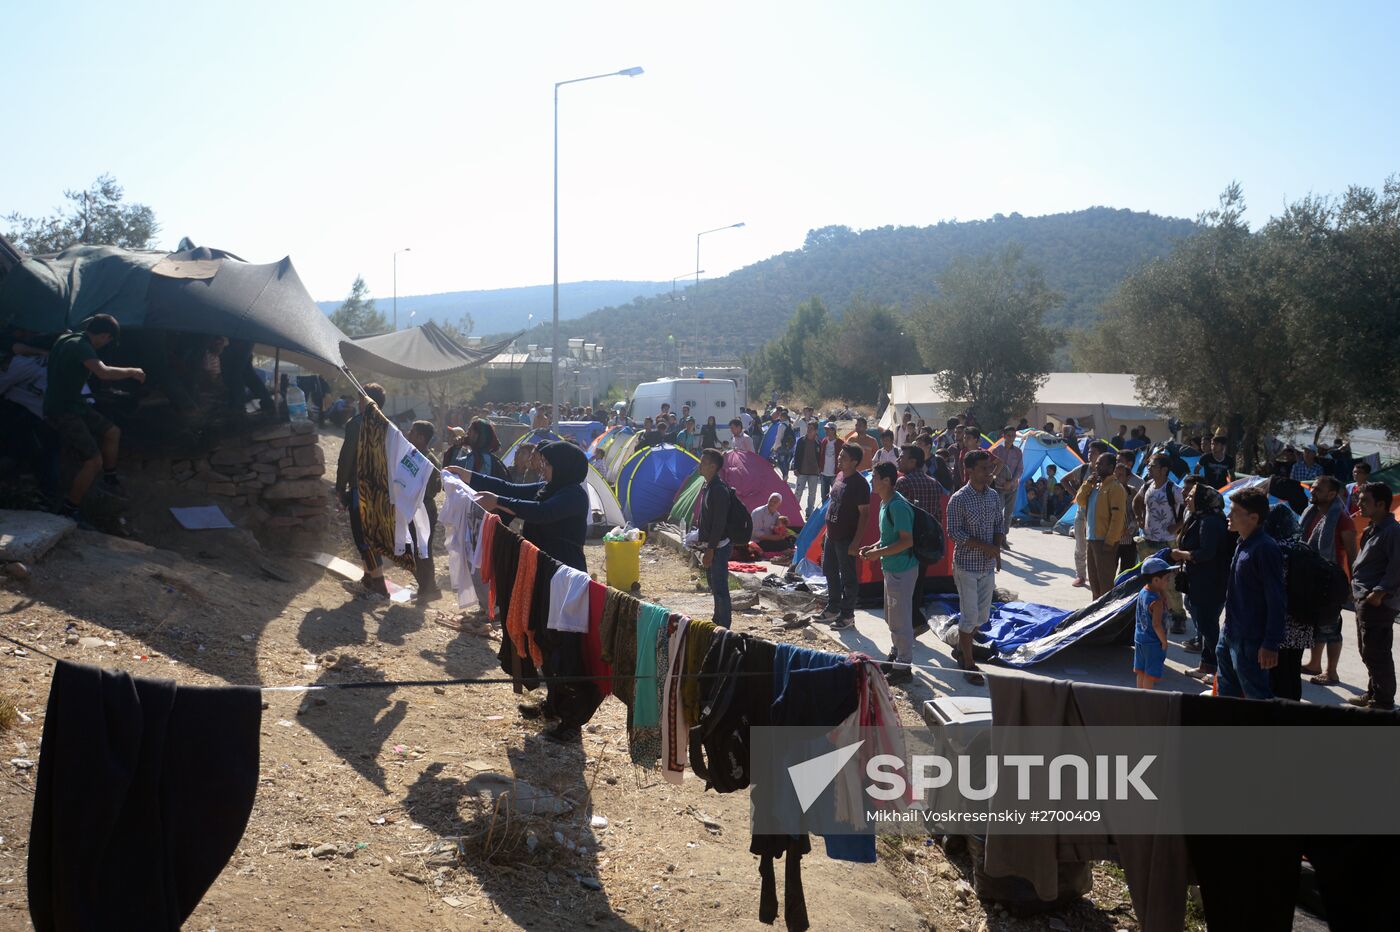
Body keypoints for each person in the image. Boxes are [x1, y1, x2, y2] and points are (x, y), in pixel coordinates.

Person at [447, 440, 595, 741]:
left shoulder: (573, 495)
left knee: (563, 646)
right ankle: (553, 705)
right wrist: (468, 476)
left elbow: (541, 513)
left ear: (563, 467)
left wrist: (499, 503)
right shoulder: (551, 488)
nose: (543, 468)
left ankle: (572, 720)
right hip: (543, 573)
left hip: (564, 580)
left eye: (548, 464)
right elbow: (511, 489)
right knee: (543, 638)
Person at [45, 315, 146, 522]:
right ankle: (69, 509)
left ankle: (110, 479)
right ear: (104, 336)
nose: (105, 344)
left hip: (73, 403)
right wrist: (132, 372)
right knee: (93, 461)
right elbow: (103, 372)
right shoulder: (82, 347)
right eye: (108, 340)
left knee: (112, 432)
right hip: (63, 410)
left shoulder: (68, 338)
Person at [1215, 487, 1284, 700]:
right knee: (1227, 693)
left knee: (1257, 697)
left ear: (1253, 518)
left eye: (1234, 511)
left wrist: (1270, 643)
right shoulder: (1242, 543)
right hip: (1229, 633)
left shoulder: (1265, 549)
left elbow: (1277, 600)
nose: (1228, 515)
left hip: (1250, 640)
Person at [945, 450, 1003, 685]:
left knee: (982, 617)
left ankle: (961, 646)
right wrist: (983, 547)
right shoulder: (958, 498)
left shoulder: (993, 496)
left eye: (989, 468)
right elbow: (954, 532)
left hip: (987, 566)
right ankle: (968, 664)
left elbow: (999, 524)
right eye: (983, 468)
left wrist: (996, 551)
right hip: (966, 566)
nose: (988, 472)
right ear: (969, 471)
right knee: (969, 617)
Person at [861, 462, 918, 685]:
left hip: (902, 570)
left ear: (886, 480)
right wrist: (874, 549)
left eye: (875, 477)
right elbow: (888, 538)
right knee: (891, 616)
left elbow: (907, 540)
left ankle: (903, 666)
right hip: (892, 568)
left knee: (900, 619)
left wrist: (879, 553)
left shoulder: (897, 506)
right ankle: (896, 655)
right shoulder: (885, 503)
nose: (872, 481)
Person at [1347, 482, 1400, 710]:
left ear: (1381, 504)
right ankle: (1373, 692)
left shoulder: (1392, 531)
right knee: (1367, 650)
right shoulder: (1372, 528)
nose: (1359, 504)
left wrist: (1378, 593)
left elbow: (1397, 567)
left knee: (1377, 652)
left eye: (1364, 500)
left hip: (1378, 602)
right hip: (1364, 599)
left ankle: (1383, 701)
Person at [1299, 476, 1356, 685]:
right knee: (1317, 623)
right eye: (1312, 488)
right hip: (1312, 578)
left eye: (1318, 490)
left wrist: (1352, 584)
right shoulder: (1310, 513)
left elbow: (1352, 553)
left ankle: (1332, 673)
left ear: (1332, 494)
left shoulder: (1342, 519)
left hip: (1332, 581)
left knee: (1331, 627)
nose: (1312, 492)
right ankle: (1315, 664)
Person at [335, 384, 390, 597]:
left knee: (363, 538)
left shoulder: (357, 424)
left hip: (361, 489)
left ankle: (378, 584)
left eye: (360, 400)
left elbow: (346, 458)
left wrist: (340, 487)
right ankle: (368, 579)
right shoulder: (388, 426)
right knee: (371, 536)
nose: (358, 404)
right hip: (381, 491)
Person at [1172, 479, 1230, 682]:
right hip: (1199, 580)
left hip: (1210, 582)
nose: (1187, 498)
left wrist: (1183, 554)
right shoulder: (1200, 516)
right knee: (1203, 623)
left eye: (1191, 495)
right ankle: (1206, 665)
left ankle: (1215, 669)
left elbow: (1207, 552)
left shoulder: (1211, 521)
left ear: (1202, 500)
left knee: (1208, 626)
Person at [819, 444, 871, 631]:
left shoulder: (860, 484)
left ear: (854, 462)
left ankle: (847, 614)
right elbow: (833, 504)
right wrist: (826, 532)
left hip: (846, 538)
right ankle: (833, 607)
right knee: (829, 571)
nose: (839, 459)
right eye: (839, 455)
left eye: (843, 457)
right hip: (831, 535)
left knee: (848, 577)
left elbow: (864, 515)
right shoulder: (839, 477)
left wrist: (856, 542)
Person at [1134, 454, 1187, 632]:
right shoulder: (1147, 485)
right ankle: (1155, 611)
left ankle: (1178, 616)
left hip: (1166, 543)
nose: (1149, 468)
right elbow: (1137, 501)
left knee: (1170, 583)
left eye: (1153, 465)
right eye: (1149, 465)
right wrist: (1139, 518)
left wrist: (1178, 526)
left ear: (1164, 470)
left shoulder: (1174, 489)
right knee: (1150, 580)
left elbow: (1188, 508)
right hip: (1148, 540)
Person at [896, 443, 942, 633]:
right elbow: (938, 515)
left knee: (904, 587)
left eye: (902, 457)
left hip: (907, 543)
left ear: (913, 461)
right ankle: (915, 621)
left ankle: (913, 622)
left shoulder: (903, 483)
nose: (899, 460)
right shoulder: (934, 484)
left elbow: (900, 516)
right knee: (918, 583)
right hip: (928, 543)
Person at [1074, 452, 1127, 599]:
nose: (1096, 466)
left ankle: (1106, 612)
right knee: (1094, 580)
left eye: (1100, 464)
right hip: (1092, 538)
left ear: (1111, 467)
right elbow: (1080, 500)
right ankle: (1095, 608)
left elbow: (1117, 518)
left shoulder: (1115, 488)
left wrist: (1110, 541)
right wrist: (1088, 483)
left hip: (1105, 541)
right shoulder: (1095, 486)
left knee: (1105, 582)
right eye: (1096, 463)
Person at [695, 448, 735, 630]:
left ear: (713, 467)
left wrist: (710, 550)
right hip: (711, 545)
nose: (700, 465)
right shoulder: (708, 486)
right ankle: (717, 618)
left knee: (720, 586)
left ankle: (724, 624)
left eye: (703, 462)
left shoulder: (719, 489)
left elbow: (719, 523)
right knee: (714, 584)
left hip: (719, 546)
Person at [1061, 440, 1110, 587]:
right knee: (1080, 545)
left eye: (1093, 452)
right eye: (1089, 452)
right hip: (1082, 513)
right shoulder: (1083, 469)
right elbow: (1064, 480)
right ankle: (1080, 575)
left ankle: (1098, 576)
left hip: (1100, 516)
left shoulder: (1108, 472)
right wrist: (1076, 495)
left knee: (1097, 548)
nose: (1090, 455)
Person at [406, 420, 443, 604]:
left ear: (421, 437)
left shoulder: (429, 461)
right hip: (413, 508)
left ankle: (430, 589)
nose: (408, 434)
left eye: (412, 432)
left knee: (422, 550)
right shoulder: (413, 455)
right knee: (412, 549)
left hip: (424, 510)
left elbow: (431, 490)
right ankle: (425, 587)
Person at [1133, 557, 1173, 689]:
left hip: (1140, 639)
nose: (1168, 581)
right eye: (1167, 579)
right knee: (1150, 676)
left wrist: (1162, 591)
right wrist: (1164, 641)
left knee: (1141, 672)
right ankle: (1147, 700)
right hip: (1153, 642)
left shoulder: (1143, 591)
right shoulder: (1157, 602)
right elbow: (1156, 624)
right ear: (1156, 580)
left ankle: (1138, 696)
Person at [992, 426, 1023, 539]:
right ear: (1004, 436)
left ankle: (1004, 536)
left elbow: (1020, 469)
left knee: (1009, 513)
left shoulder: (1018, 452)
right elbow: (992, 467)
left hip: (1012, 487)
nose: (1011, 438)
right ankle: (996, 535)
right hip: (999, 486)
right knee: (998, 512)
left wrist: (1012, 482)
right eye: (1009, 435)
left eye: (1013, 436)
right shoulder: (997, 451)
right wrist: (998, 479)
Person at [1114, 463, 1141, 576]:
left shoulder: (1132, 491)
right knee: (1109, 568)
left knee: (1126, 570)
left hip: (1129, 536)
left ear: (1127, 477)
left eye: (1121, 474)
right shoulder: (1108, 491)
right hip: (1112, 537)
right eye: (1115, 474)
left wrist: (1130, 528)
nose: (1117, 477)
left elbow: (1138, 513)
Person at [793, 421, 822, 516]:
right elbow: (796, 455)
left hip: (814, 472)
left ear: (816, 431)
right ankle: (794, 512)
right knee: (798, 492)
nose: (809, 430)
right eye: (808, 428)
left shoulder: (819, 442)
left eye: (811, 429)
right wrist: (796, 467)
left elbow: (821, 457)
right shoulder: (801, 441)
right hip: (802, 471)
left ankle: (809, 512)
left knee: (812, 494)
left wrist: (820, 469)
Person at [818, 422, 842, 502]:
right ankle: (824, 514)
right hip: (824, 474)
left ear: (833, 430)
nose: (826, 431)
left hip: (835, 474)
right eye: (826, 429)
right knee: (824, 497)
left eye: (828, 429)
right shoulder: (824, 441)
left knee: (836, 497)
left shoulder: (840, 443)